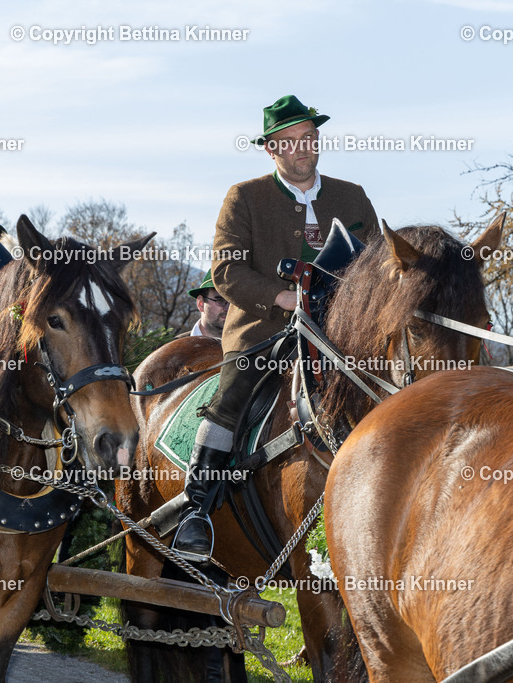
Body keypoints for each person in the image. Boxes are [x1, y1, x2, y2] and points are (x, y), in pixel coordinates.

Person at [175, 95, 379, 558]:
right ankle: (197, 509)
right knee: (230, 398)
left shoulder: (353, 196)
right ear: (271, 150)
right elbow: (226, 272)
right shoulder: (243, 197)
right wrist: (283, 297)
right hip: (262, 333)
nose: (302, 149)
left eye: (309, 138)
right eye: (289, 142)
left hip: (340, 340)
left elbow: (377, 266)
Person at [179, 270, 228, 339]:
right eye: (220, 300)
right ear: (201, 303)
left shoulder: (246, 346)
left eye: (234, 302)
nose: (227, 308)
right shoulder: (170, 348)